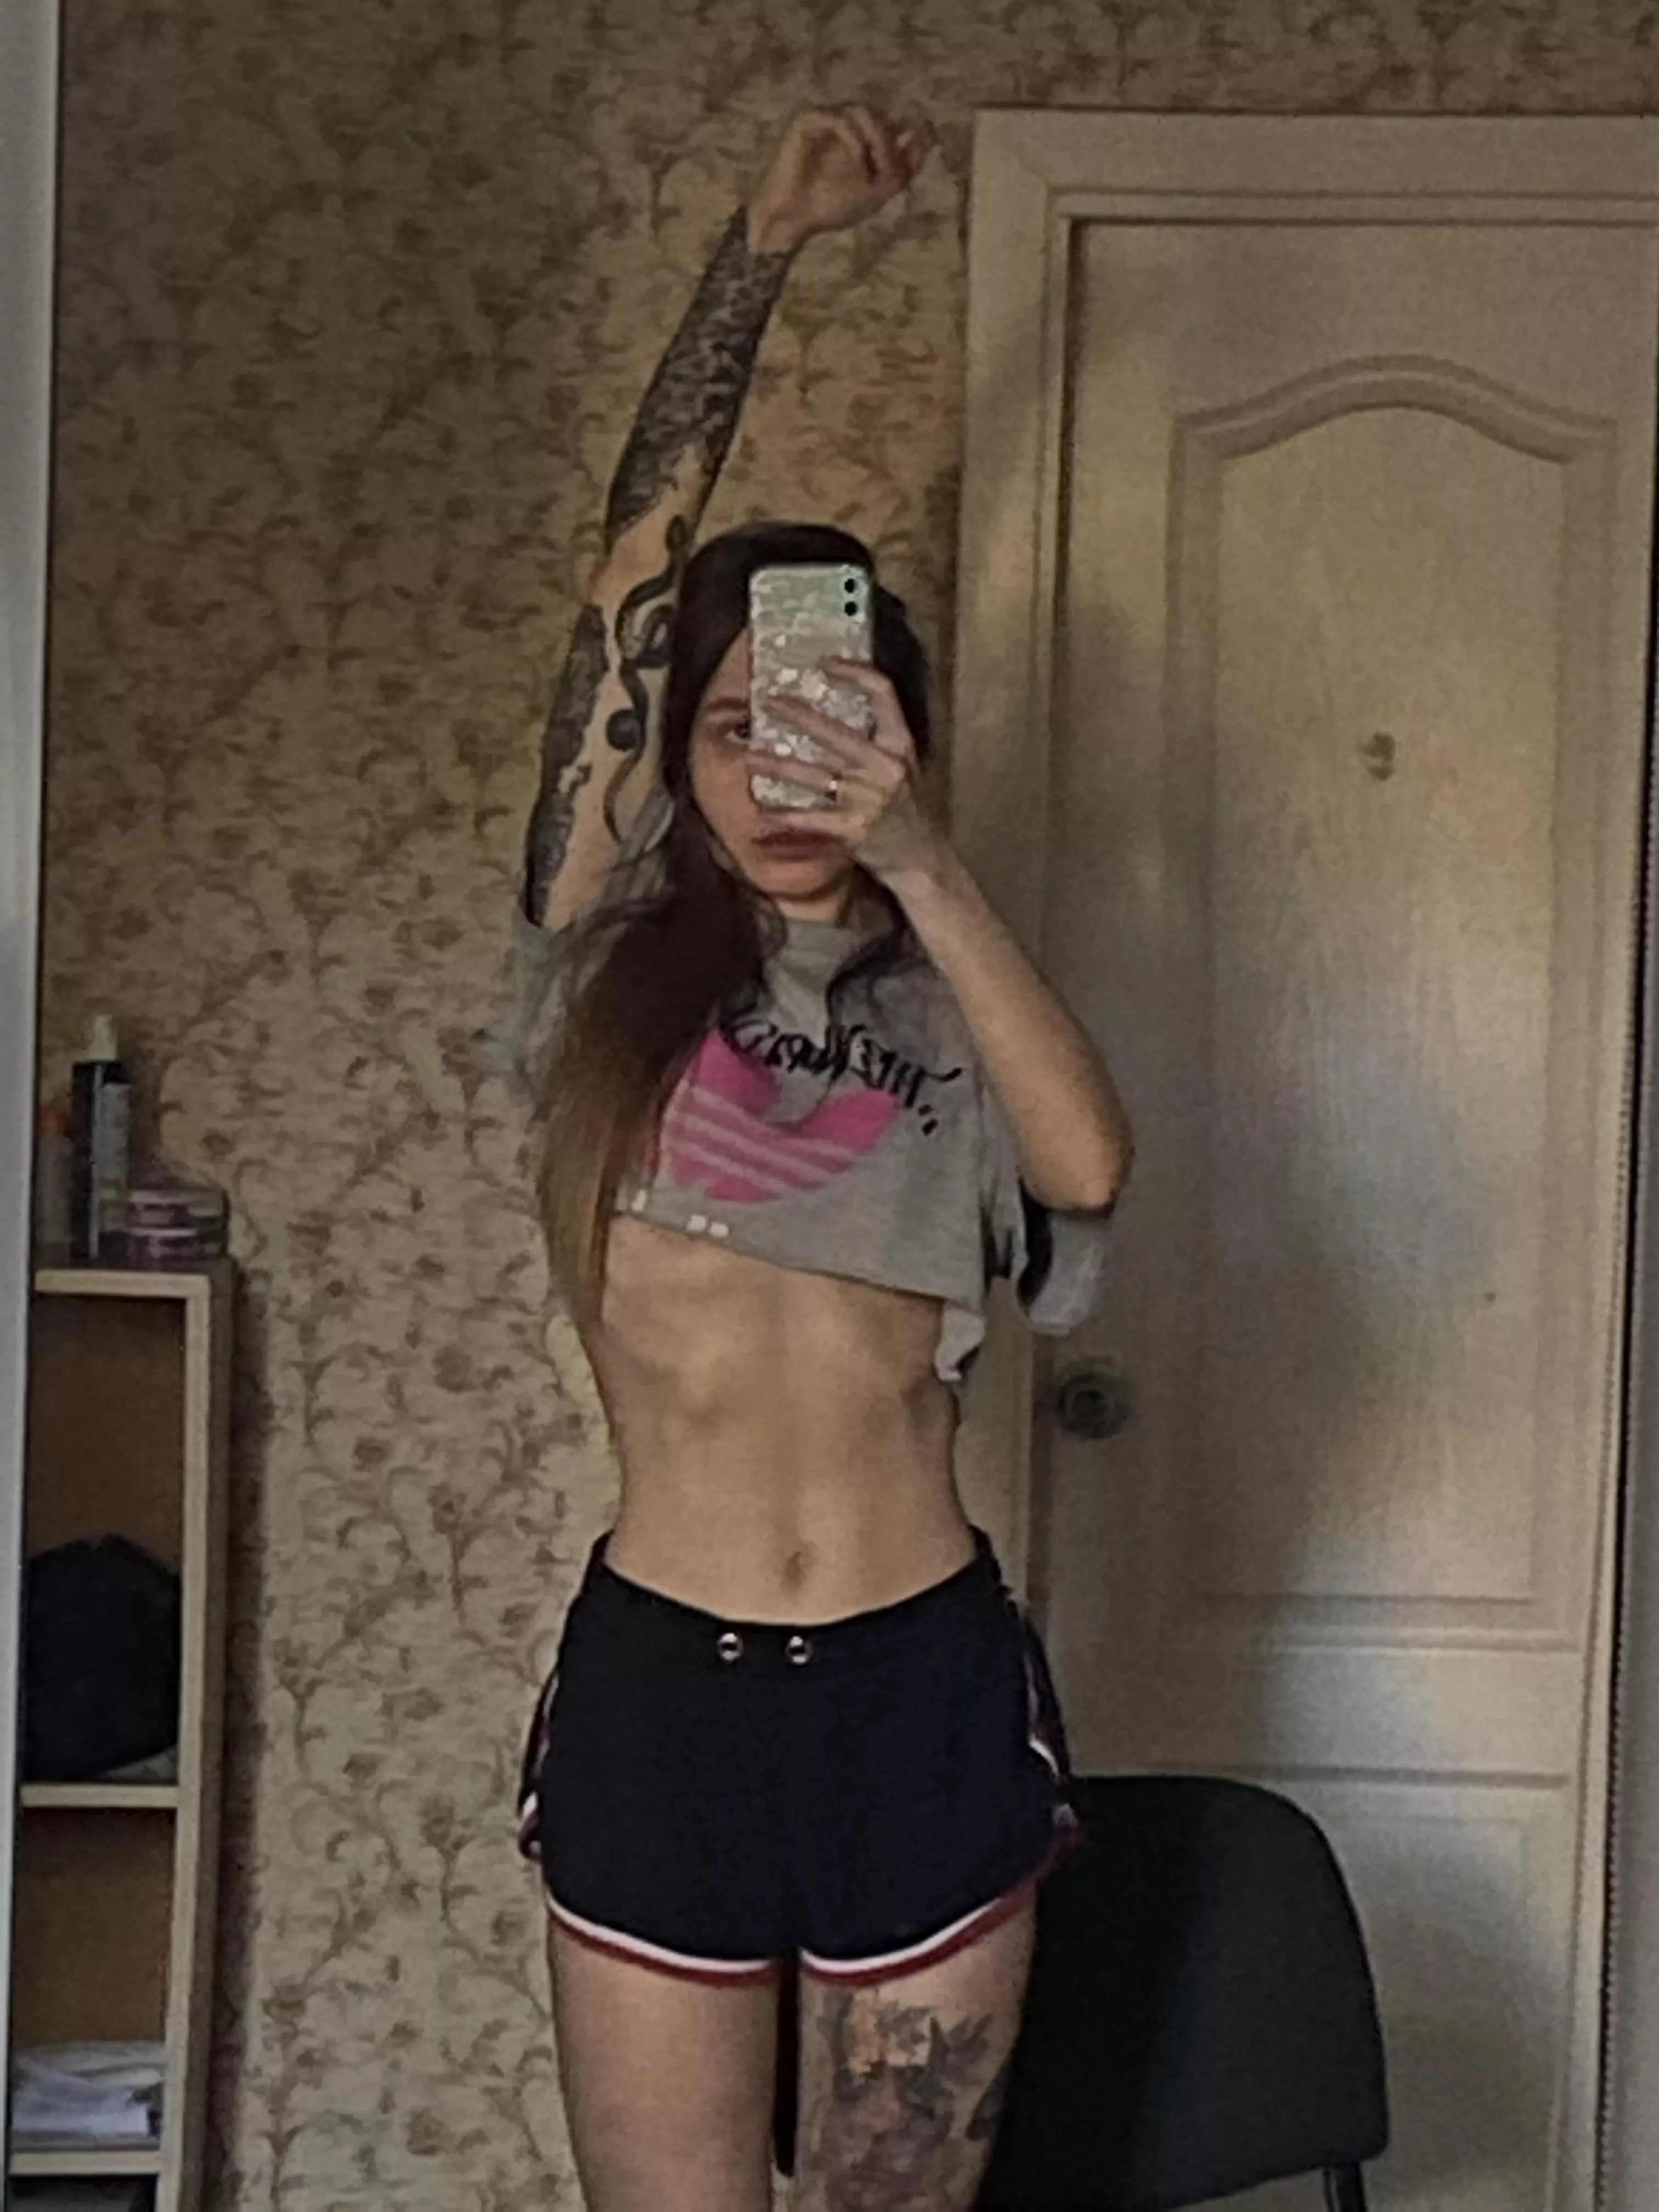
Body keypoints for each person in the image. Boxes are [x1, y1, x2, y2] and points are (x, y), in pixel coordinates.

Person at [505, 104, 1134, 2212]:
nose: (785, 774)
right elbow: (621, 606)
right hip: (663, 1695)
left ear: (904, 745)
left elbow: (1091, 1170)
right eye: (739, 729)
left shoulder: (957, 994)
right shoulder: (595, 979)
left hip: (921, 1687)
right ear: (676, 762)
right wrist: (758, 250)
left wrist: (922, 855)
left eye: (837, 728)